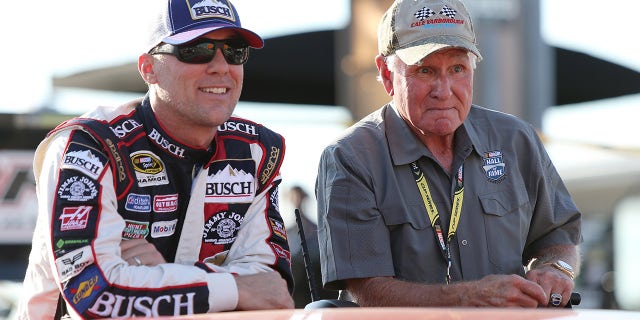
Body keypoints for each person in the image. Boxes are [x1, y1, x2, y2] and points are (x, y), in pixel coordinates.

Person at [18, 0, 294, 318]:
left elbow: (272, 291)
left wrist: (161, 275)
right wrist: (234, 288)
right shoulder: (90, 146)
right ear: (149, 68)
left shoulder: (255, 151)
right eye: (195, 50)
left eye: (234, 51)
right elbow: (93, 294)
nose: (221, 66)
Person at [315, 0, 581, 308]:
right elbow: (370, 292)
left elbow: (558, 233)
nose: (444, 90)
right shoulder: (351, 157)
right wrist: (468, 297)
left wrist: (555, 268)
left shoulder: (515, 139)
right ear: (387, 75)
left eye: (457, 69)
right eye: (425, 70)